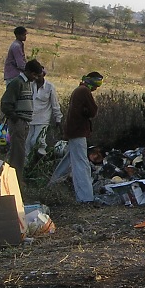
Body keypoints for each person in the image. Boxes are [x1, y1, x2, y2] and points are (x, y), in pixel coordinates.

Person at [49, 72, 104, 203]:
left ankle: (52, 185)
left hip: (73, 131)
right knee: (81, 164)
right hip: (78, 132)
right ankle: (85, 197)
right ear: (91, 81)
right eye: (97, 83)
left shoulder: (78, 90)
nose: (97, 87)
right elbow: (93, 111)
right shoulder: (84, 91)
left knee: (68, 159)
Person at [0, 58, 45, 176]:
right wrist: (15, 117)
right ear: (30, 73)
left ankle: (16, 177)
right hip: (18, 122)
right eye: (35, 75)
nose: (36, 78)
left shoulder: (27, 84)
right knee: (17, 153)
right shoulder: (17, 83)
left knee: (20, 151)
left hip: (24, 123)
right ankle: (16, 179)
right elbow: (6, 103)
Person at [25, 69, 63, 166]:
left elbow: (55, 104)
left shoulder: (50, 87)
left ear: (43, 75)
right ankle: (28, 165)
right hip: (31, 118)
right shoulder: (30, 85)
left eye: (39, 75)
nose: (37, 78)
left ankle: (43, 161)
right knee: (28, 143)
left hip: (43, 118)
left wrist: (58, 118)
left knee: (37, 141)